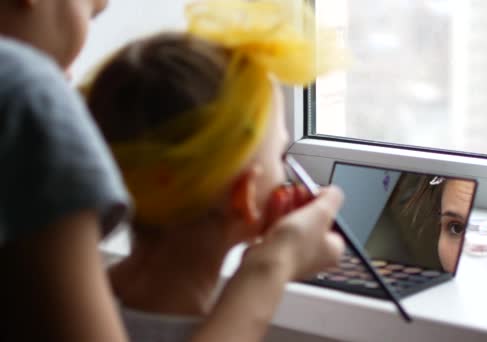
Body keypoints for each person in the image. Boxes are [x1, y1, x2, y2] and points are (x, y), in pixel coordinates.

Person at [0, 0, 344, 341]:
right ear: (244, 195)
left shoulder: (47, 304)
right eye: (280, 155)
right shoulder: (25, 93)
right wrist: (277, 259)